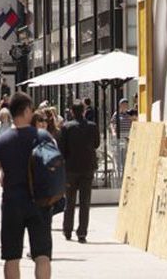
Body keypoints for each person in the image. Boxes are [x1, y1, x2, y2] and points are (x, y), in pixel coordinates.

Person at [0, 92, 51, 279]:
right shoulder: (43, 137)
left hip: (12, 203)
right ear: (27, 110)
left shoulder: (0, 142)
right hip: (39, 201)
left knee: (12, 257)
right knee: (42, 256)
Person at [59, 102, 100, 243]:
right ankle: (82, 232)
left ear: (71, 111)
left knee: (69, 201)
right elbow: (96, 144)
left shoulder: (66, 127)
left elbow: (62, 148)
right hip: (87, 167)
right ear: (83, 111)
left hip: (71, 168)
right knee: (85, 201)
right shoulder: (92, 126)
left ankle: (67, 230)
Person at [110, 98, 133, 181]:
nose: (125, 106)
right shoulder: (116, 114)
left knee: (126, 155)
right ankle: (120, 172)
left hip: (127, 137)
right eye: (124, 104)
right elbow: (112, 124)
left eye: (126, 104)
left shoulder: (128, 115)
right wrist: (114, 133)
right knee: (120, 155)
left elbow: (132, 124)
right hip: (120, 138)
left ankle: (125, 172)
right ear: (120, 105)